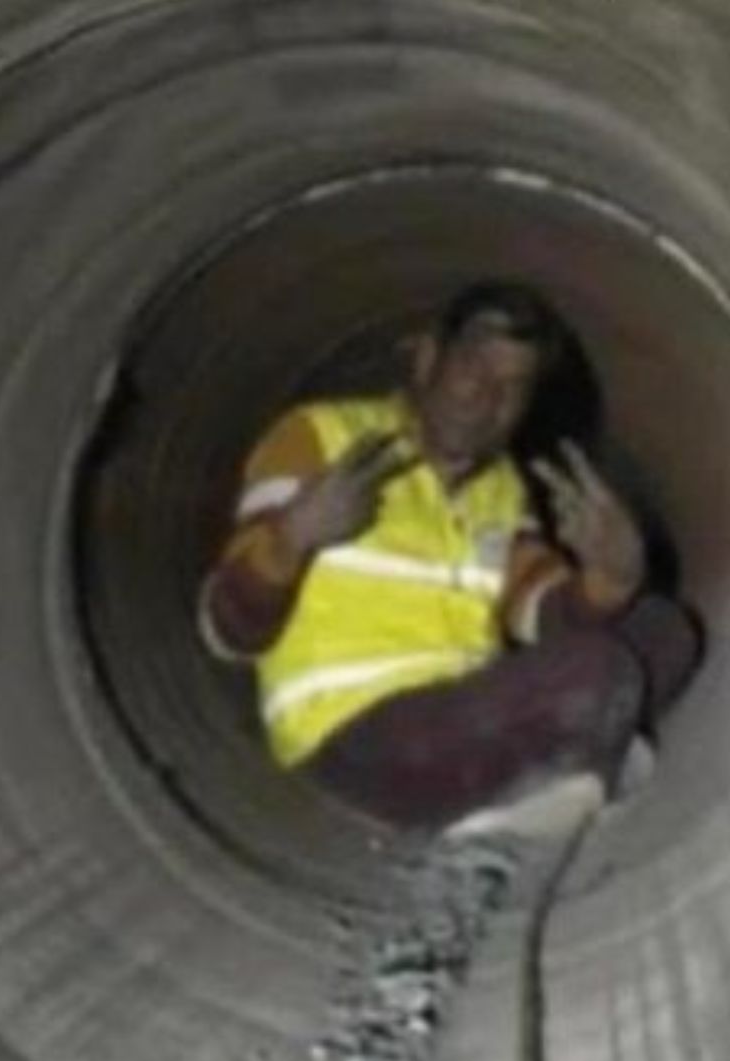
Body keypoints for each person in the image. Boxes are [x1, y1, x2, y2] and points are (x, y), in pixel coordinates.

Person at [198, 282, 702, 838]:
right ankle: (554, 771)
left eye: (515, 387)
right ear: (428, 358)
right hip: (353, 735)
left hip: (467, 712)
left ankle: (542, 775)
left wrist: (610, 578)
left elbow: (544, 616)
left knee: (662, 630)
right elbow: (228, 631)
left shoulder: (501, 488)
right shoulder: (320, 436)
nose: (489, 397)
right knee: (598, 676)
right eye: (475, 368)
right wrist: (293, 537)